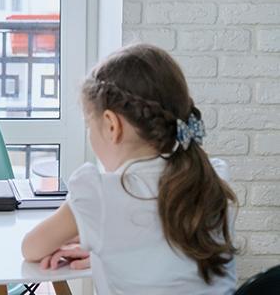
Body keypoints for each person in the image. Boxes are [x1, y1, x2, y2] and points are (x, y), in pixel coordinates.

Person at [22, 44, 238, 294]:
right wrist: (108, 251)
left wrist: (96, 236)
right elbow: (169, 260)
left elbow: (31, 247)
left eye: (88, 125)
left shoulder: (99, 195)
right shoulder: (212, 176)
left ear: (112, 125)